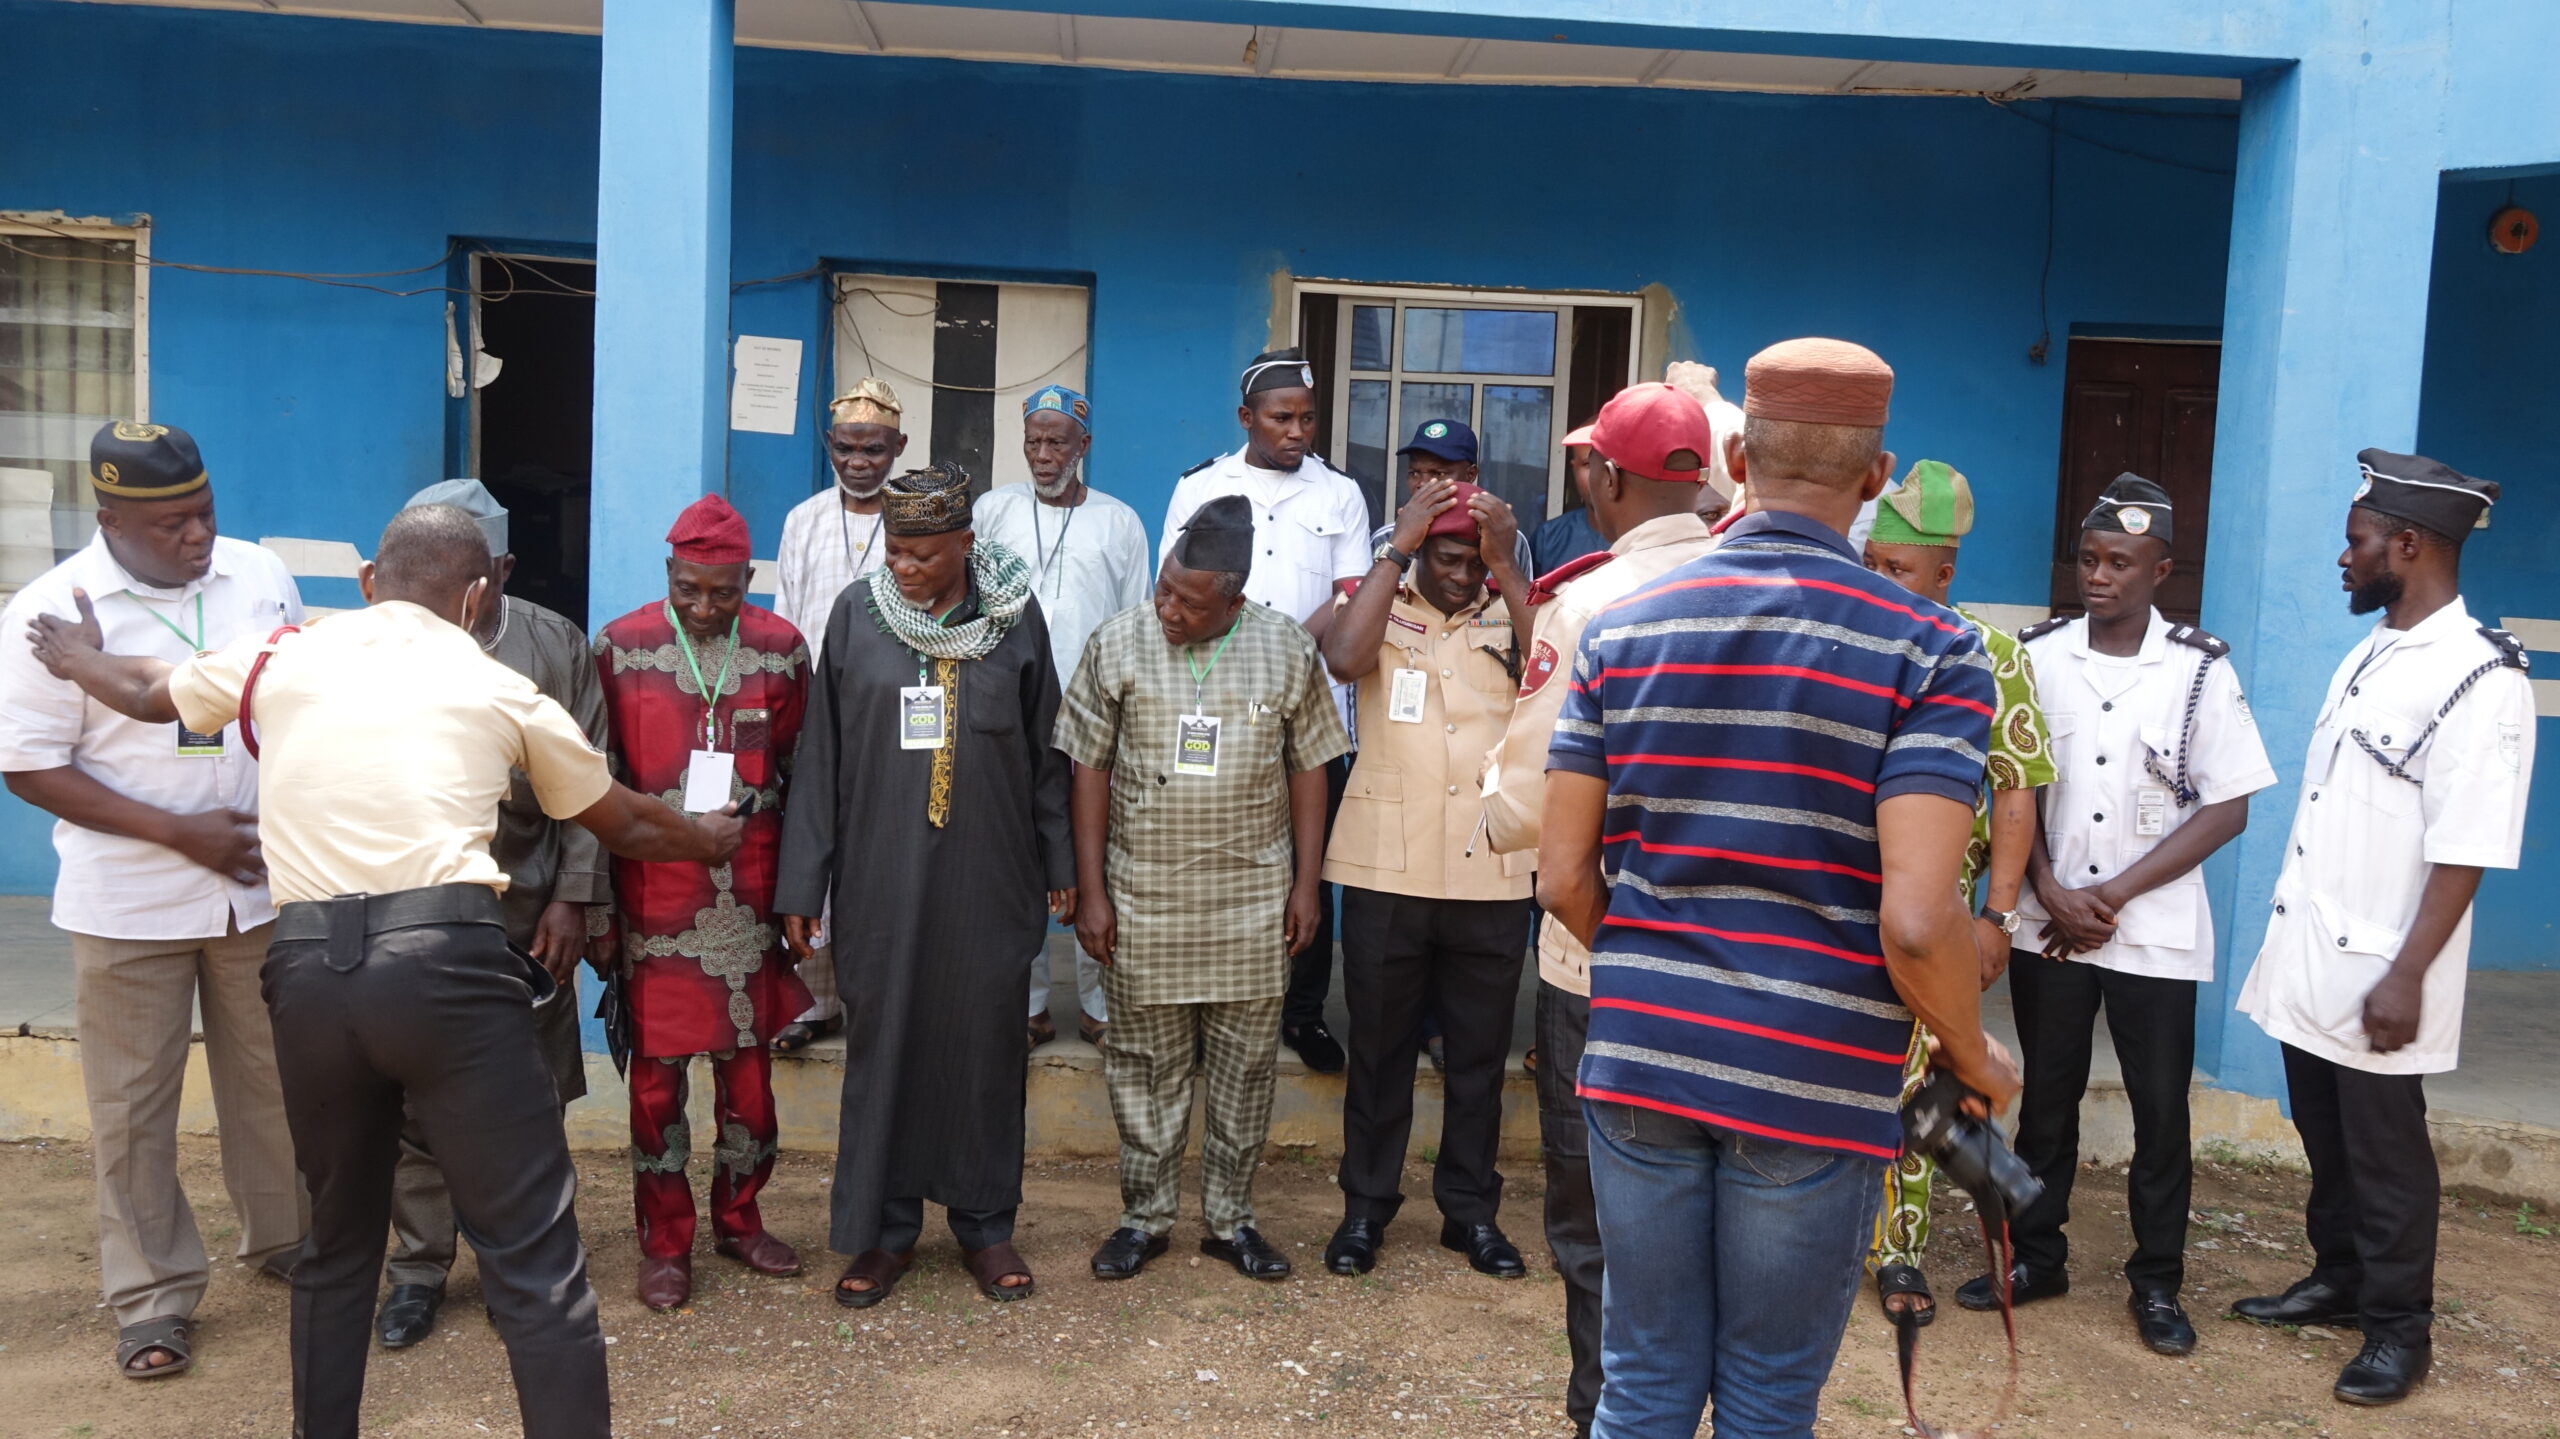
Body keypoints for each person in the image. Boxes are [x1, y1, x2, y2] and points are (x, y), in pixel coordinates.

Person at [28, 501, 744, 1439]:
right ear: (478, 595)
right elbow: (628, 823)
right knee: (534, 1261)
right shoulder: (495, 684)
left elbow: (149, 689)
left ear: (369, 581)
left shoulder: (283, 653)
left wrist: (78, 659)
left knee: (336, 1248)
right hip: (445, 968)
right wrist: (710, 835)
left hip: (307, 975)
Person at [1540, 342, 2020, 1439]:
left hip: (1638, 1056)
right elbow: (1912, 915)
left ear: (1742, 457)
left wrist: (1658, 965)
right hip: (1813, 1074)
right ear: (1874, 475)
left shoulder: (1617, 628)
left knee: (1644, 1379)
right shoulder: (1931, 652)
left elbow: (1564, 873)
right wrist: (1971, 1053)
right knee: (1764, 1396)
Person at [0, 421, 306, 1381]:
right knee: (134, 1110)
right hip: (128, 902)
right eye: (171, 523)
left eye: (205, 512)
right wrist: (179, 832)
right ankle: (151, 1297)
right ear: (110, 519)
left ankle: (286, 1241)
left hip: (257, 894)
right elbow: (29, 766)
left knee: (277, 1086)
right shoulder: (52, 608)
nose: (196, 536)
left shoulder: (261, 577)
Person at [2232, 451, 2533, 1406]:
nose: (2343, 557)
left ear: (2409, 544)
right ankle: (2341, 1277)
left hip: (2388, 971)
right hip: (2320, 952)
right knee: (2324, 1132)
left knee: (2387, 1156)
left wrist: (2406, 975)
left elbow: (2468, 846)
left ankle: (2400, 1330)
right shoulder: (2372, 650)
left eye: (2357, 541)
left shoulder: (2479, 677)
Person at [1975, 473, 2275, 1356]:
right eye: (2090, 558)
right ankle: (2035, 1254)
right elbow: (2011, 783)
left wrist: (2111, 896)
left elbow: (2230, 806)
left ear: (2162, 571)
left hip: (2151, 930)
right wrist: (2052, 888)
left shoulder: (2198, 671)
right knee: (2048, 1101)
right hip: (2048, 918)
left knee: (2160, 1112)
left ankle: (2157, 1282)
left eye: (2121, 563)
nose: (2098, 575)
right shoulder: (2034, 655)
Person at [1479, 382, 1719, 1439]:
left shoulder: (1586, 603)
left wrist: (1489, 794)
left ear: (1606, 477)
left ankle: (1608, 1415)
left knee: (1599, 1220)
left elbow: (1526, 807)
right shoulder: (1756, 584)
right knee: (1727, 1223)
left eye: (1589, 462)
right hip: (1740, 966)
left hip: (1603, 957)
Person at [775, 463, 1073, 1308]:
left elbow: (1045, 749)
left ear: (966, 546)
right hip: (879, 873)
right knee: (887, 1045)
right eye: (894, 550)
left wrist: (1061, 865)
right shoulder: (858, 616)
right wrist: (806, 882)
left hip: (991, 871)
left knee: (985, 1045)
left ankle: (986, 1225)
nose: (902, 567)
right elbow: (822, 757)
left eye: (921, 554)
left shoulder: (1014, 619)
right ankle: (883, 1230)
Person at [1059, 495, 1349, 1282]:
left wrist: (1306, 884)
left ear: (1235, 598)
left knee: (1245, 1070)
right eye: (1163, 590)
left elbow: (1311, 765)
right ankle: (1144, 1217)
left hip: (1251, 902)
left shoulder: (1286, 648)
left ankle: (1230, 1219)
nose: (1168, 610)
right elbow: (1087, 765)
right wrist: (1091, 890)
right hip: (1143, 898)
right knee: (1144, 1069)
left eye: (1189, 602)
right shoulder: (1117, 642)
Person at [375, 479, 611, 1348]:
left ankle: (531, 1262)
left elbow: (590, 777)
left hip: (520, 915)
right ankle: (416, 1270)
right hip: (407, 908)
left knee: (531, 1095)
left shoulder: (554, 648)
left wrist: (573, 898)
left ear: (498, 570)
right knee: (412, 1104)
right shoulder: (373, 650)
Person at [590, 494, 813, 1311]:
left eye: (722, 591)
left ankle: (740, 1219)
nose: (705, 607)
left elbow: (801, 778)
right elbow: (591, 781)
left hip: (750, 902)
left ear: (747, 579)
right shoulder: (620, 647)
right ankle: (666, 1242)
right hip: (652, 902)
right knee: (656, 1091)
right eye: (689, 589)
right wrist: (598, 912)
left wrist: (800, 893)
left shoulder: (782, 652)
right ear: (668, 576)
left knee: (750, 1087)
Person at [1855, 460, 2057, 1329]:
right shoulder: (1848, 635)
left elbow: (2017, 789)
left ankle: (1899, 1250)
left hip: (1932, 911)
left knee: (1915, 1082)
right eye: (1874, 565)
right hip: (1836, 897)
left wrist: (1997, 916)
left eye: (1899, 571)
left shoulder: (1993, 656)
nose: (1881, 584)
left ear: (1945, 574)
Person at [1317, 473, 1532, 1280]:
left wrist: (1509, 568)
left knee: (1478, 1059)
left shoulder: (1508, 602)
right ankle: (1366, 1208)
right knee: (1379, 1051)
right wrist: (1394, 549)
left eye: (1475, 557)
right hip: (1387, 863)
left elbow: (1556, 670)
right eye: (1447, 556)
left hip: (1491, 863)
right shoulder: (1385, 603)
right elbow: (1342, 658)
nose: (1462, 572)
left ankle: (1470, 1212)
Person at [1159, 347, 1368, 1074]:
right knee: (1213, 853)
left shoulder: (1339, 494)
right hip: (1219, 701)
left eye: (1307, 418)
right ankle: (1205, 1006)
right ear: (1247, 417)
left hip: (1312, 705)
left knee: (1312, 866)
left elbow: (1350, 595)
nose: (1297, 431)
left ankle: (1302, 1014)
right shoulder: (1200, 488)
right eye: (1282, 418)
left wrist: (1274, 651)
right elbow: (1174, 590)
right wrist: (1246, 653)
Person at [972, 384, 1150, 1049]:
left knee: (1091, 852)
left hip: (1093, 713)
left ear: (1085, 446)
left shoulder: (1119, 521)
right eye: (1033, 442)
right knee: (1017, 852)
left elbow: (1137, 619)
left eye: (1057, 443)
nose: (1044, 456)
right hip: (1010, 711)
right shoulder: (994, 509)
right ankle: (1029, 1003)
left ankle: (1101, 1006)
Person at [770, 376, 908, 1051]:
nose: (860, 462)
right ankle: (816, 1001)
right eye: (848, 448)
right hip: (816, 712)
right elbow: (789, 618)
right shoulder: (804, 518)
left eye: (875, 449)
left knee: (882, 853)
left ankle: (875, 1000)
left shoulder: (911, 520)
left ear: (898, 448)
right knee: (814, 847)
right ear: (830, 445)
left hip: (887, 711)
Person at [1365, 419, 1536, 581]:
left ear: (1470, 474)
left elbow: (1526, 607)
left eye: (1438, 473)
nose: (1423, 484)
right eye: (1414, 473)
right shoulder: (1388, 536)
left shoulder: (1504, 534)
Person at [1526, 424, 1608, 576]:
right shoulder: (1548, 538)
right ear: (1574, 468)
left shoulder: (1652, 537)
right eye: (1588, 464)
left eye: (1607, 463)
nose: (1598, 475)